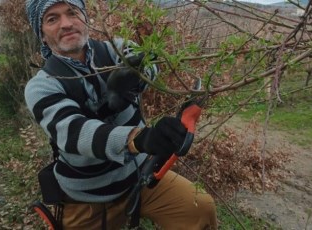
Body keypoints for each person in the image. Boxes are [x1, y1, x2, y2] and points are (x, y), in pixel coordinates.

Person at [24, 0, 218, 229]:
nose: (66, 24)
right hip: (87, 198)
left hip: (140, 177)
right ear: (43, 35)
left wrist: (136, 77)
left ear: (85, 18)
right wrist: (138, 138)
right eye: (52, 19)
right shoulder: (41, 86)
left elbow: (151, 62)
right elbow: (75, 132)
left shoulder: (115, 48)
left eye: (72, 12)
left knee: (200, 209)